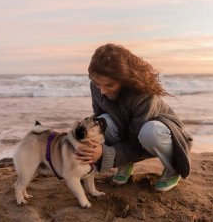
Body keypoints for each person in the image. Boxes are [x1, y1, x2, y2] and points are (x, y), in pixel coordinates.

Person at [76, 43, 193, 192]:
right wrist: (83, 135)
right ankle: (125, 164)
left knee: (150, 131)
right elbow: (98, 117)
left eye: (109, 85)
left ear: (125, 79)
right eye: (98, 84)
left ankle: (173, 168)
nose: (103, 91)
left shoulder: (142, 94)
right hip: (129, 131)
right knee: (102, 121)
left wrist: (104, 153)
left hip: (160, 134)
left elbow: (136, 144)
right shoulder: (97, 86)